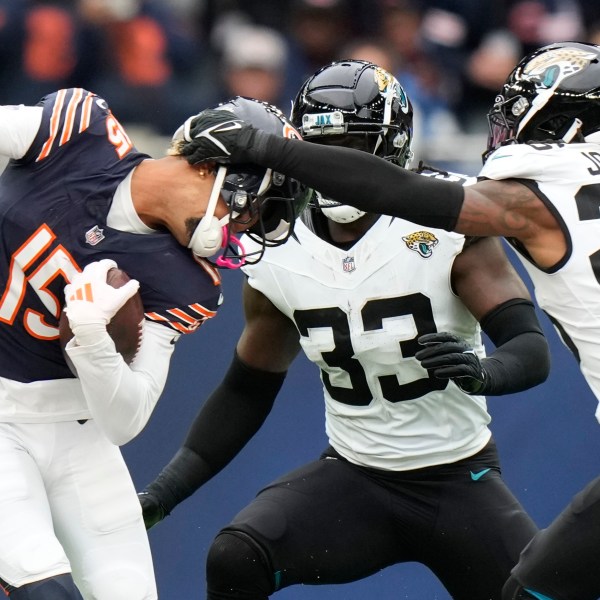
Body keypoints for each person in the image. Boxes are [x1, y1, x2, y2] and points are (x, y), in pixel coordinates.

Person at [161, 41, 600, 600]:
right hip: (354, 473)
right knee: (236, 555)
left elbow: (528, 349)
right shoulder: (277, 241)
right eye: (320, 149)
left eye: (348, 152)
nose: (333, 169)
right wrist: (163, 493)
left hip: (458, 480)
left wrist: (481, 371)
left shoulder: (463, 218)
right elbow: (246, 389)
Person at [0, 90, 308, 600]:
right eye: (252, 208)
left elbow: (125, 420)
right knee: (45, 590)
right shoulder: (80, 130)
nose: (243, 225)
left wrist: (93, 342)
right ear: (214, 165)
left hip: (79, 439)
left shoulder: (186, 282)